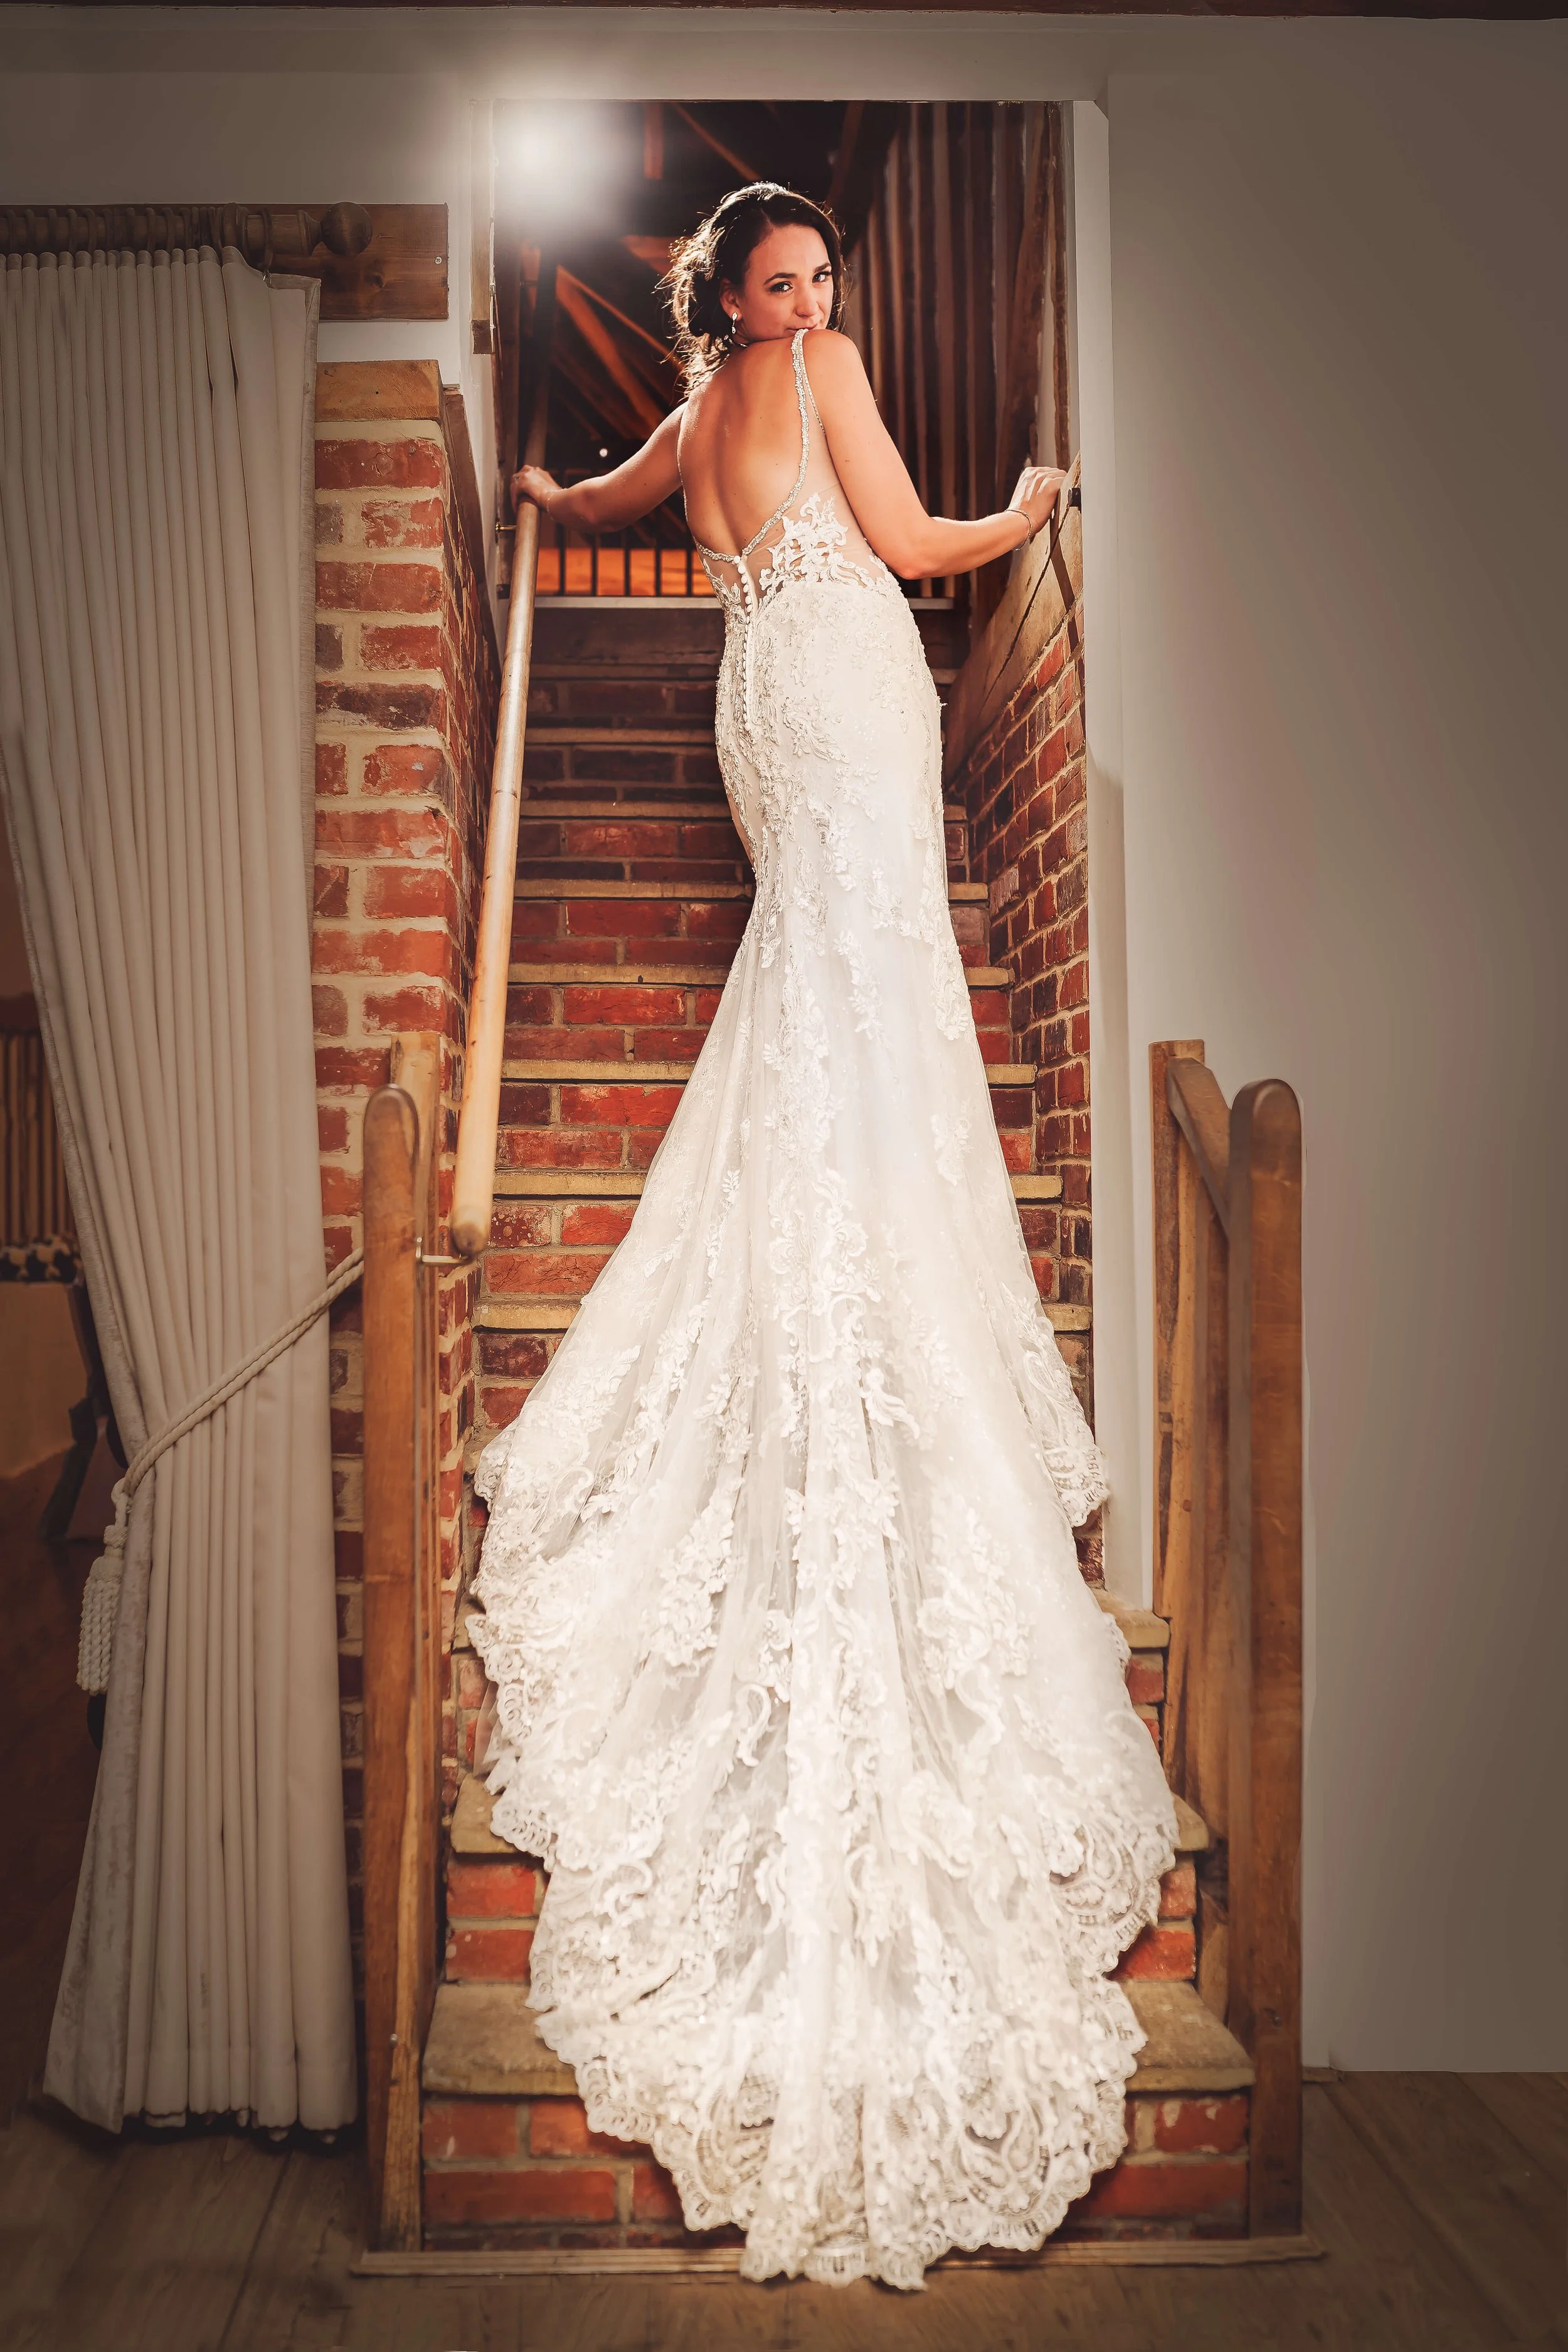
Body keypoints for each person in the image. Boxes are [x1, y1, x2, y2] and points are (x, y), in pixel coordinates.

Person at [472, 183, 1176, 2291]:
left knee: (820, 973)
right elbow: (916, 544)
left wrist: (527, 478)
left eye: (819, 286)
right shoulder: (821, 382)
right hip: (844, 686)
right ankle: (877, 1244)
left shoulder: (688, 418)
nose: (809, 310)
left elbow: (594, 480)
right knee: (873, 977)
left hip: (750, 714)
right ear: (748, 298)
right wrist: (1036, 496)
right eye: (787, 285)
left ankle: (831, 1231)